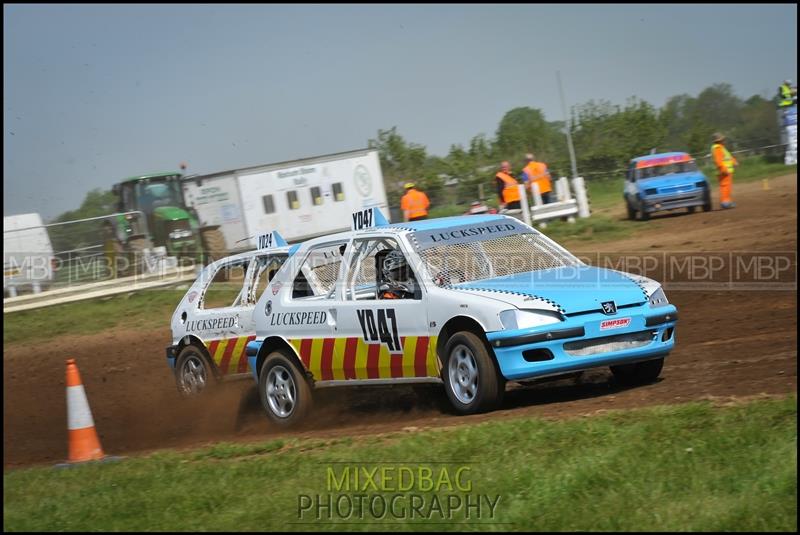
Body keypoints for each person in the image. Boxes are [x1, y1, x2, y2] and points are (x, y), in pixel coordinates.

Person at [711, 132, 738, 209]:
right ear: (719, 140)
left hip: (725, 171)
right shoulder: (717, 148)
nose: (724, 140)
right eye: (723, 139)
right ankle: (725, 202)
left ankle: (727, 201)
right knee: (725, 186)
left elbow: (728, 157)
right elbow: (718, 161)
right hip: (723, 171)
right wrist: (723, 169)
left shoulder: (721, 147)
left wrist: (734, 161)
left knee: (727, 187)